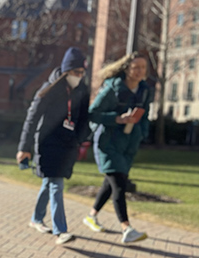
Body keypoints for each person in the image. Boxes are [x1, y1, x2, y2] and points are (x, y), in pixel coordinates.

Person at [17, 47, 90, 245]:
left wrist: (81, 139)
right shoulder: (48, 89)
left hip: (67, 144)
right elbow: (31, 119)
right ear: (66, 71)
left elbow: (84, 119)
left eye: (82, 73)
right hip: (47, 143)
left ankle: (36, 219)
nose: (79, 77)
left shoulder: (82, 90)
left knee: (49, 182)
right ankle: (61, 231)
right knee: (56, 184)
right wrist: (24, 148)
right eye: (76, 73)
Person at [82, 52, 151, 244]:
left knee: (110, 182)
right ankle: (126, 228)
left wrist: (142, 133)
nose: (139, 71)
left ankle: (91, 216)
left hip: (129, 144)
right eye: (136, 67)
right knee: (119, 183)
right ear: (127, 68)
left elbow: (145, 115)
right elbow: (93, 114)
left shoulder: (145, 90)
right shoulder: (112, 89)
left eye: (143, 68)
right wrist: (117, 118)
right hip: (108, 142)